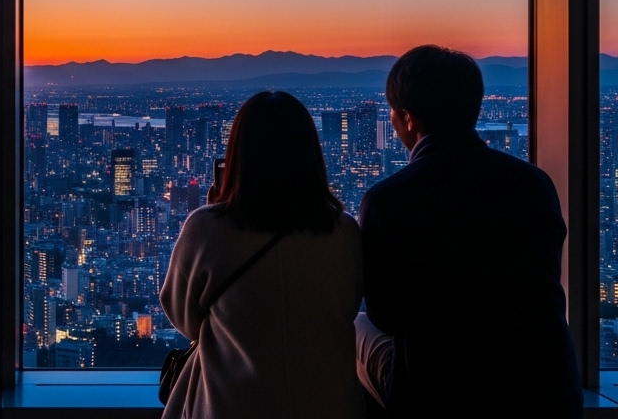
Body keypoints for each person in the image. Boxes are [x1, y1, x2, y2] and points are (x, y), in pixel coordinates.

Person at [357, 45, 582, 417]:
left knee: (357, 327)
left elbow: (386, 316)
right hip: (545, 393)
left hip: (441, 395)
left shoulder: (390, 200)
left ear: (409, 119)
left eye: (394, 113)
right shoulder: (532, 184)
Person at [161, 91, 364, 419]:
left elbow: (185, 318)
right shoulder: (344, 231)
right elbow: (346, 308)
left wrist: (215, 210)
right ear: (310, 156)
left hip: (232, 407)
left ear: (239, 155)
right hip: (329, 406)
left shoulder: (207, 229)